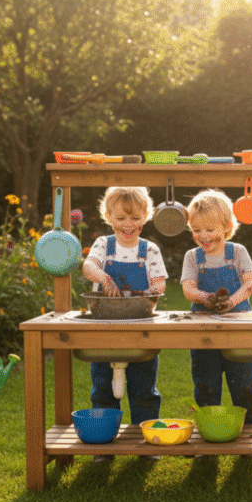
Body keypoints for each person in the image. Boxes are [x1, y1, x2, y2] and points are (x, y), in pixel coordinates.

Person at [82, 186, 168, 462]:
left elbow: (160, 284)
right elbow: (88, 267)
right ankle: (104, 445)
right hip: (105, 327)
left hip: (141, 328)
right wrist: (105, 278)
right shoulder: (104, 245)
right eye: (120, 218)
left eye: (135, 218)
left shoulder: (149, 250)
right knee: (103, 388)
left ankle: (148, 442)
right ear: (108, 217)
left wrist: (150, 291)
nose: (128, 225)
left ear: (146, 217)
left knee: (144, 389)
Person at [181, 189, 252, 425]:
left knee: (246, 387)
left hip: (239, 330)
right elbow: (188, 289)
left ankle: (251, 432)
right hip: (204, 333)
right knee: (205, 386)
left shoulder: (237, 252)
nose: (203, 236)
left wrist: (231, 302)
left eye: (210, 229)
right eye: (196, 230)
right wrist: (205, 298)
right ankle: (209, 430)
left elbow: (250, 283)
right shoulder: (192, 257)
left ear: (227, 226)